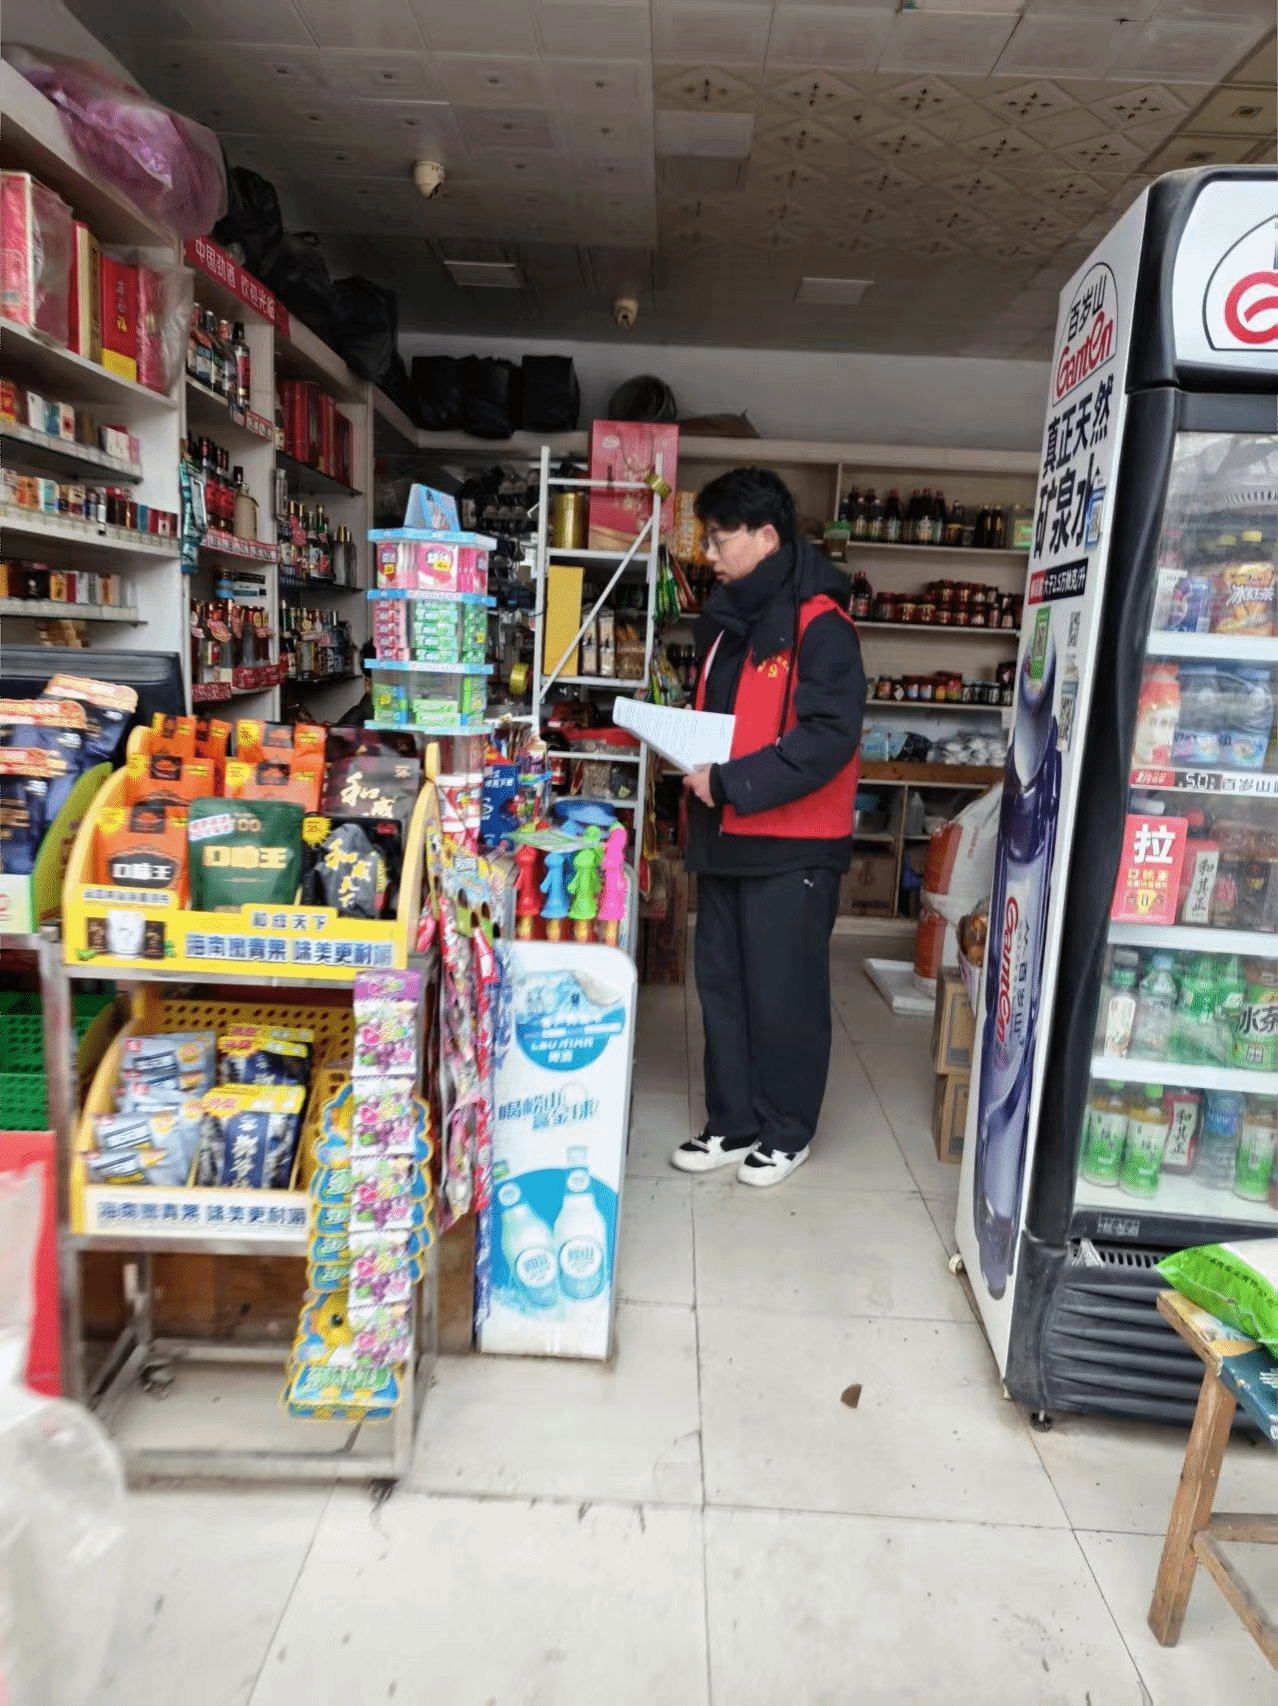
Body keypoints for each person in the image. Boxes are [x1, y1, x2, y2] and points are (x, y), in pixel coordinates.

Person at [672, 467, 867, 1187]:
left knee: (784, 996)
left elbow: (827, 736)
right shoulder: (730, 621)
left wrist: (730, 782)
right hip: (725, 836)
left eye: (719, 539)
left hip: (793, 845)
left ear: (765, 536)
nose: (709, 555)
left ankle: (787, 1130)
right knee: (722, 989)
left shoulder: (822, 624)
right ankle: (733, 1121)